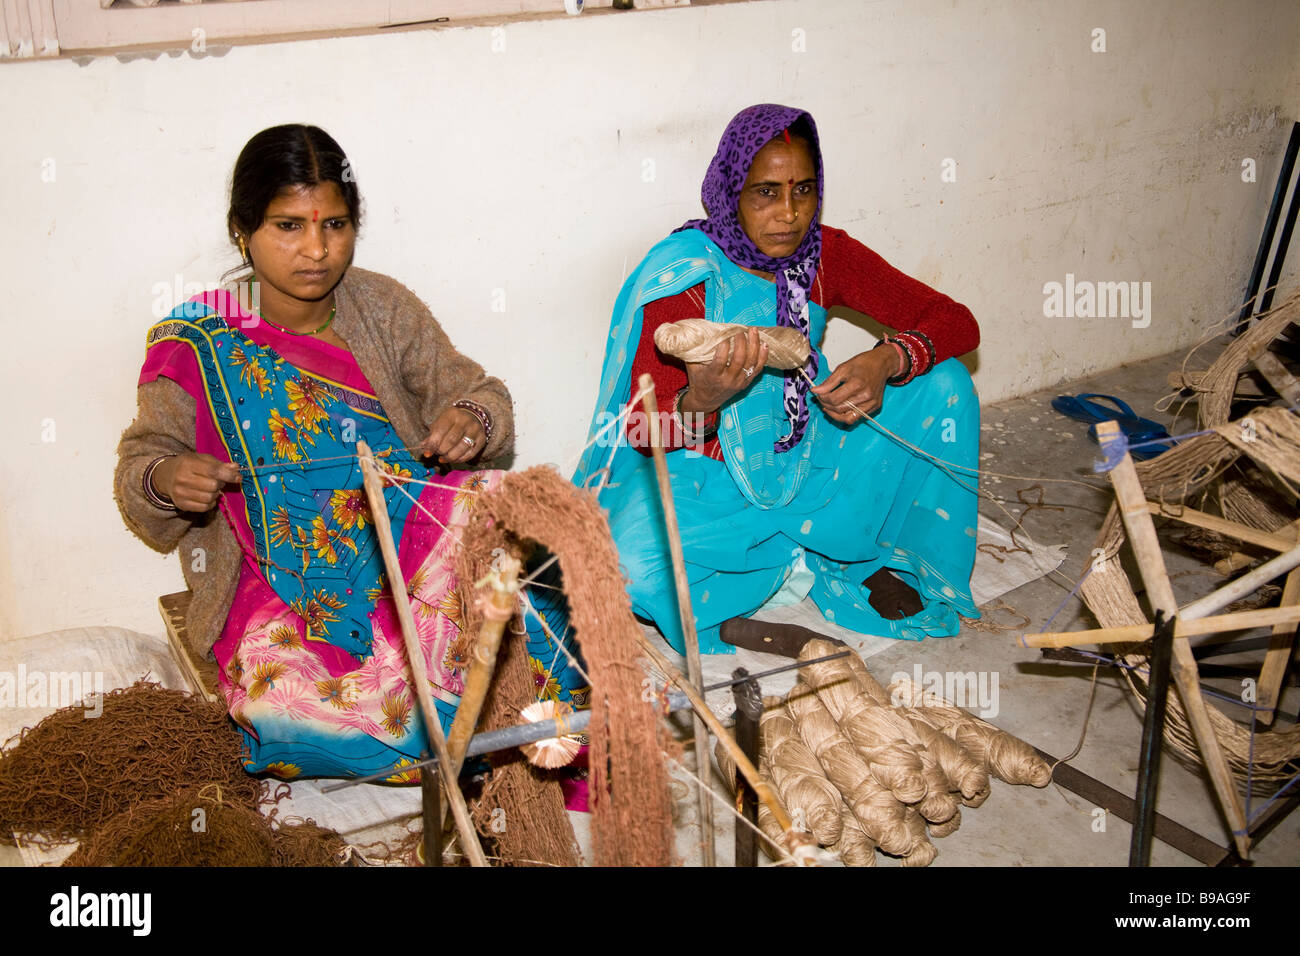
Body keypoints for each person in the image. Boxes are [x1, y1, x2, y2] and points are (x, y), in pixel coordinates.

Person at [116, 124, 584, 780]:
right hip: (281, 572)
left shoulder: (382, 306)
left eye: (335, 225)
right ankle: (453, 734)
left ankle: (487, 720)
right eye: (288, 227)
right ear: (241, 230)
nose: (316, 250)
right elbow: (142, 464)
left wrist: (472, 422)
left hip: (409, 536)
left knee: (525, 559)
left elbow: (483, 395)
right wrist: (167, 477)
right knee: (285, 708)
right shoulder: (196, 341)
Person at [573, 104, 981, 655]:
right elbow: (644, 432)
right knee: (627, 567)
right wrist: (704, 400)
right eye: (766, 192)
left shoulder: (822, 254)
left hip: (814, 449)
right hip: (712, 481)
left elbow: (957, 320)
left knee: (945, 384)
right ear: (731, 192)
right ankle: (818, 554)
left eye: (804, 190)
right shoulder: (683, 274)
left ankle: (871, 558)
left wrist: (886, 360)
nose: (789, 214)